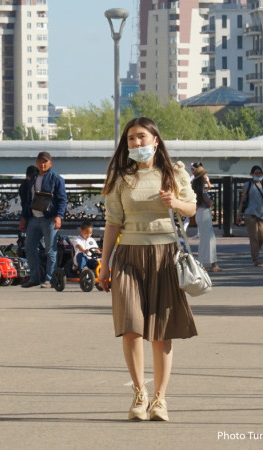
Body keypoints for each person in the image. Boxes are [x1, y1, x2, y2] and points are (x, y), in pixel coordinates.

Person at [98, 117, 198, 422]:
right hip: (128, 254)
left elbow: (192, 208)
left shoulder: (173, 172)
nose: (136, 143)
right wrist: (104, 265)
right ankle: (139, 394)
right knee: (131, 327)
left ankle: (160, 399)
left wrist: (176, 202)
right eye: (130, 139)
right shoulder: (120, 177)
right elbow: (113, 222)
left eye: (141, 137)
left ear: (156, 140)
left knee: (161, 332)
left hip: (165, 254)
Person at [19, 152, 67, 288]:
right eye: (40, 161)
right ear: (36, 163)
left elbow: (62, 199)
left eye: (45, 161)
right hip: (33, 218)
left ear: (51, 163)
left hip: (49, 219)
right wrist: (24, 217)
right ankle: (34, 278)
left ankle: (50, 279)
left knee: (50, 249)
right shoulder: (33, 178)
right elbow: (28, 200)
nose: (43, 164)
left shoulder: (56, 178)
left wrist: (59, 216)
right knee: (29, 247)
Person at [236, 165, 263, 267]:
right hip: (249, 213)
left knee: (262, 236)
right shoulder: (247, 185)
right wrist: (239, 214)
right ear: (252, 174)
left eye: (260, 173)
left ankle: (255, 251)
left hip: (261, 214)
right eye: (256, 173)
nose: (258, 175)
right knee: (254, 238)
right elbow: (243, 200)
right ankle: (256, 259)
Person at [191, 165, 221, 272]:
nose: (206, 176)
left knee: (205, 239)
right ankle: (210, 264)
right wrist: (211, 202)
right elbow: (208, 202)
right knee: (209, 239)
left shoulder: (197, 188)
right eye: (205, 174)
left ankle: (207, 263)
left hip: (200, 213)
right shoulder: (201, 190)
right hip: (204, 213)